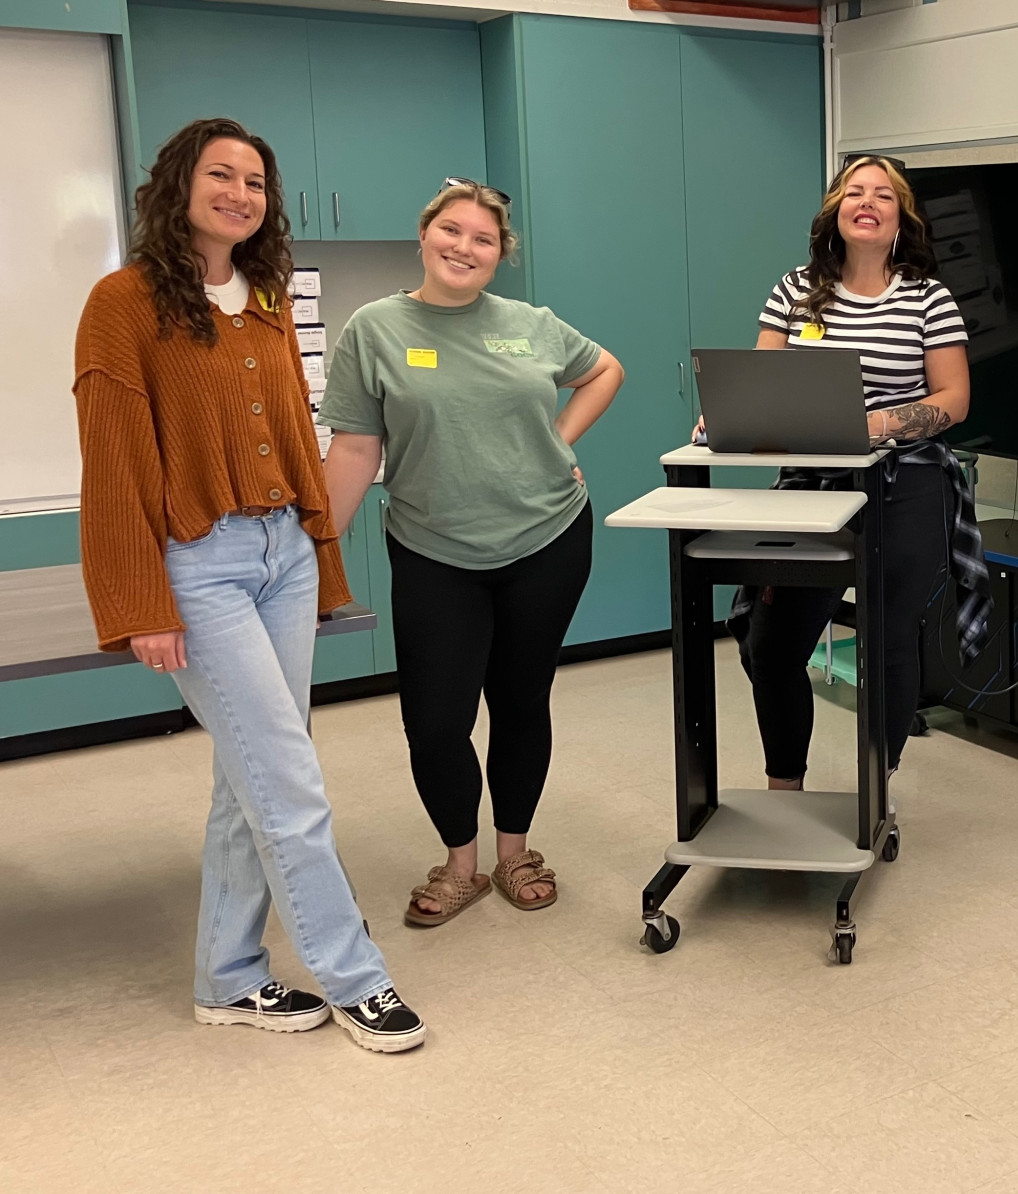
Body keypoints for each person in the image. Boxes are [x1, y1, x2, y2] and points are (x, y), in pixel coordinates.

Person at [73, 118, 424, 1052]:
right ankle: (357, 978)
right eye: (221, 174)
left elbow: (295, 439)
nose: (240, 192)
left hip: (282, 555)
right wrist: (139, 602)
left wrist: (318, 554)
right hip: (200, 564)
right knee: (290, 779)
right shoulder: (124, 300)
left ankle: (227, 980)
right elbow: (111, 461)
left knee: (250, 780)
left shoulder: (266, 294)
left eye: (257, 182)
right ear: (177, 185)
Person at [321, 181, 623, 927]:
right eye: (451, 231)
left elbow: (604, 369)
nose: (465, 247)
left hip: (546, 536)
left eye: (483, 239)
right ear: (424, 237)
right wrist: (315, 555)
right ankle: (462, 866)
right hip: (434, 548)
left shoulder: (530, 324)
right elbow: (357, 446)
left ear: (500, 254)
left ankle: (514, 852)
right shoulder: (375, 328)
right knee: (434, 719)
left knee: (521, 703)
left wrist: (557, 441)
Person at [714, 155, 991, 791]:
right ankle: (786, 786)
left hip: (907, 486)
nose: (867, 202)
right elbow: (762, 386)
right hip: (811, 489)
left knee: (890, 642)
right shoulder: (795, 289)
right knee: (772, 645)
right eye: (854, 192)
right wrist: (726, 417)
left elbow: (953, 399)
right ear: (836, 211)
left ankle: (875, 790)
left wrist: (875, 427)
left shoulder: (928, 296)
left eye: (883, 195)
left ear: (902, 216)